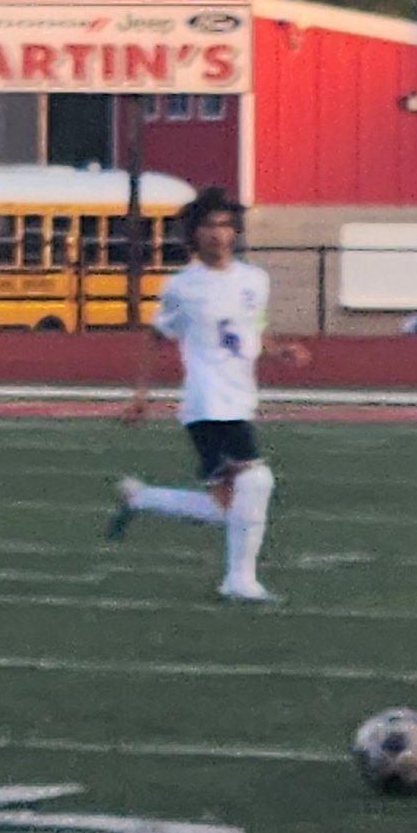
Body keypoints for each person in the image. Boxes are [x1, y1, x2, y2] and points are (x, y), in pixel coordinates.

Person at [107, 188, 277, 602]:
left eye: (224, 225)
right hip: (207, 404)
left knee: (228, 508)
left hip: (240, 398)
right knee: (256, 480)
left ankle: (143, 498)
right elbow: (156, 335)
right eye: (208, 226)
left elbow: (255, 329)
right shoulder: (182, 286)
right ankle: (239, 581)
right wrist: (141, 394)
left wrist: (278, 349)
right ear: (194, 234)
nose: (218, 234)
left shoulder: (255, 280)